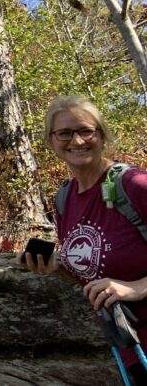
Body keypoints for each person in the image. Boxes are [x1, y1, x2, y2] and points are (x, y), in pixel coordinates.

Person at [23, 96, 147, 382]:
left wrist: (139, 287)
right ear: (51, 141)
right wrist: (57, 267)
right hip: (130, 348)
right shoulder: (65, 199)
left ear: (101, 135)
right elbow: (95, 271)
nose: (76, 141)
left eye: (85, 130)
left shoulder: (134, 185)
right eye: (65, 133)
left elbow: (127, 282)